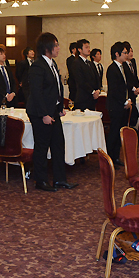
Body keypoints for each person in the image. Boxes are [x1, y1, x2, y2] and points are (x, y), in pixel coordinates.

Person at [26, 32, 76, 191]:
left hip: (52, 110)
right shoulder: (37, 66)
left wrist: (59, 108)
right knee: (42, 146)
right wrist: (44, 114)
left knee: (58, 144)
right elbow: (36, 92)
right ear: (47, 47)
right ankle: (40, 180)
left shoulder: (52, 63)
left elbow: (56, 88)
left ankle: (60, 179)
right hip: (40, 113)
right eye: (56, 45)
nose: (58, 48)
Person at [106, 42, 132, 167]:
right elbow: (114, 90)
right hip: (115, 106)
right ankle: (110, 158)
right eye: (124, 53)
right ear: (117, 54)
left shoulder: (123, 67)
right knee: (114, 133)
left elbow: (126, 86)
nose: (126, 55)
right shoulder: (112, 69)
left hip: (122, 105)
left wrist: (128, 99)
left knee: (119, 133)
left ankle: (116, 157)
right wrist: (124, 101)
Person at [72, 39, 100, 111]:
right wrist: (93, 92)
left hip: (92, 99)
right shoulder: (76, 63)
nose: (89, 49)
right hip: (83, 99)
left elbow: (97, 78)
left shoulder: (90, 63)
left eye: (89, 47)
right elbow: (81, 81)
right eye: (86, 47)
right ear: (79, 49)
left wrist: (98, 90)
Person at [122, 42, 139, 128]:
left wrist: (138, 87)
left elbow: (135, 76)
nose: (131, 53)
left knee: (133, 113)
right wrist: (133, 89)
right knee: (128, 114)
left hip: (134, 93)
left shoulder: (133, 62)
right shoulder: (123, 64)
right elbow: (126, 80)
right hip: (128, 91)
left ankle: (132, 128)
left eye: (132, 51)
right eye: (129, 52)